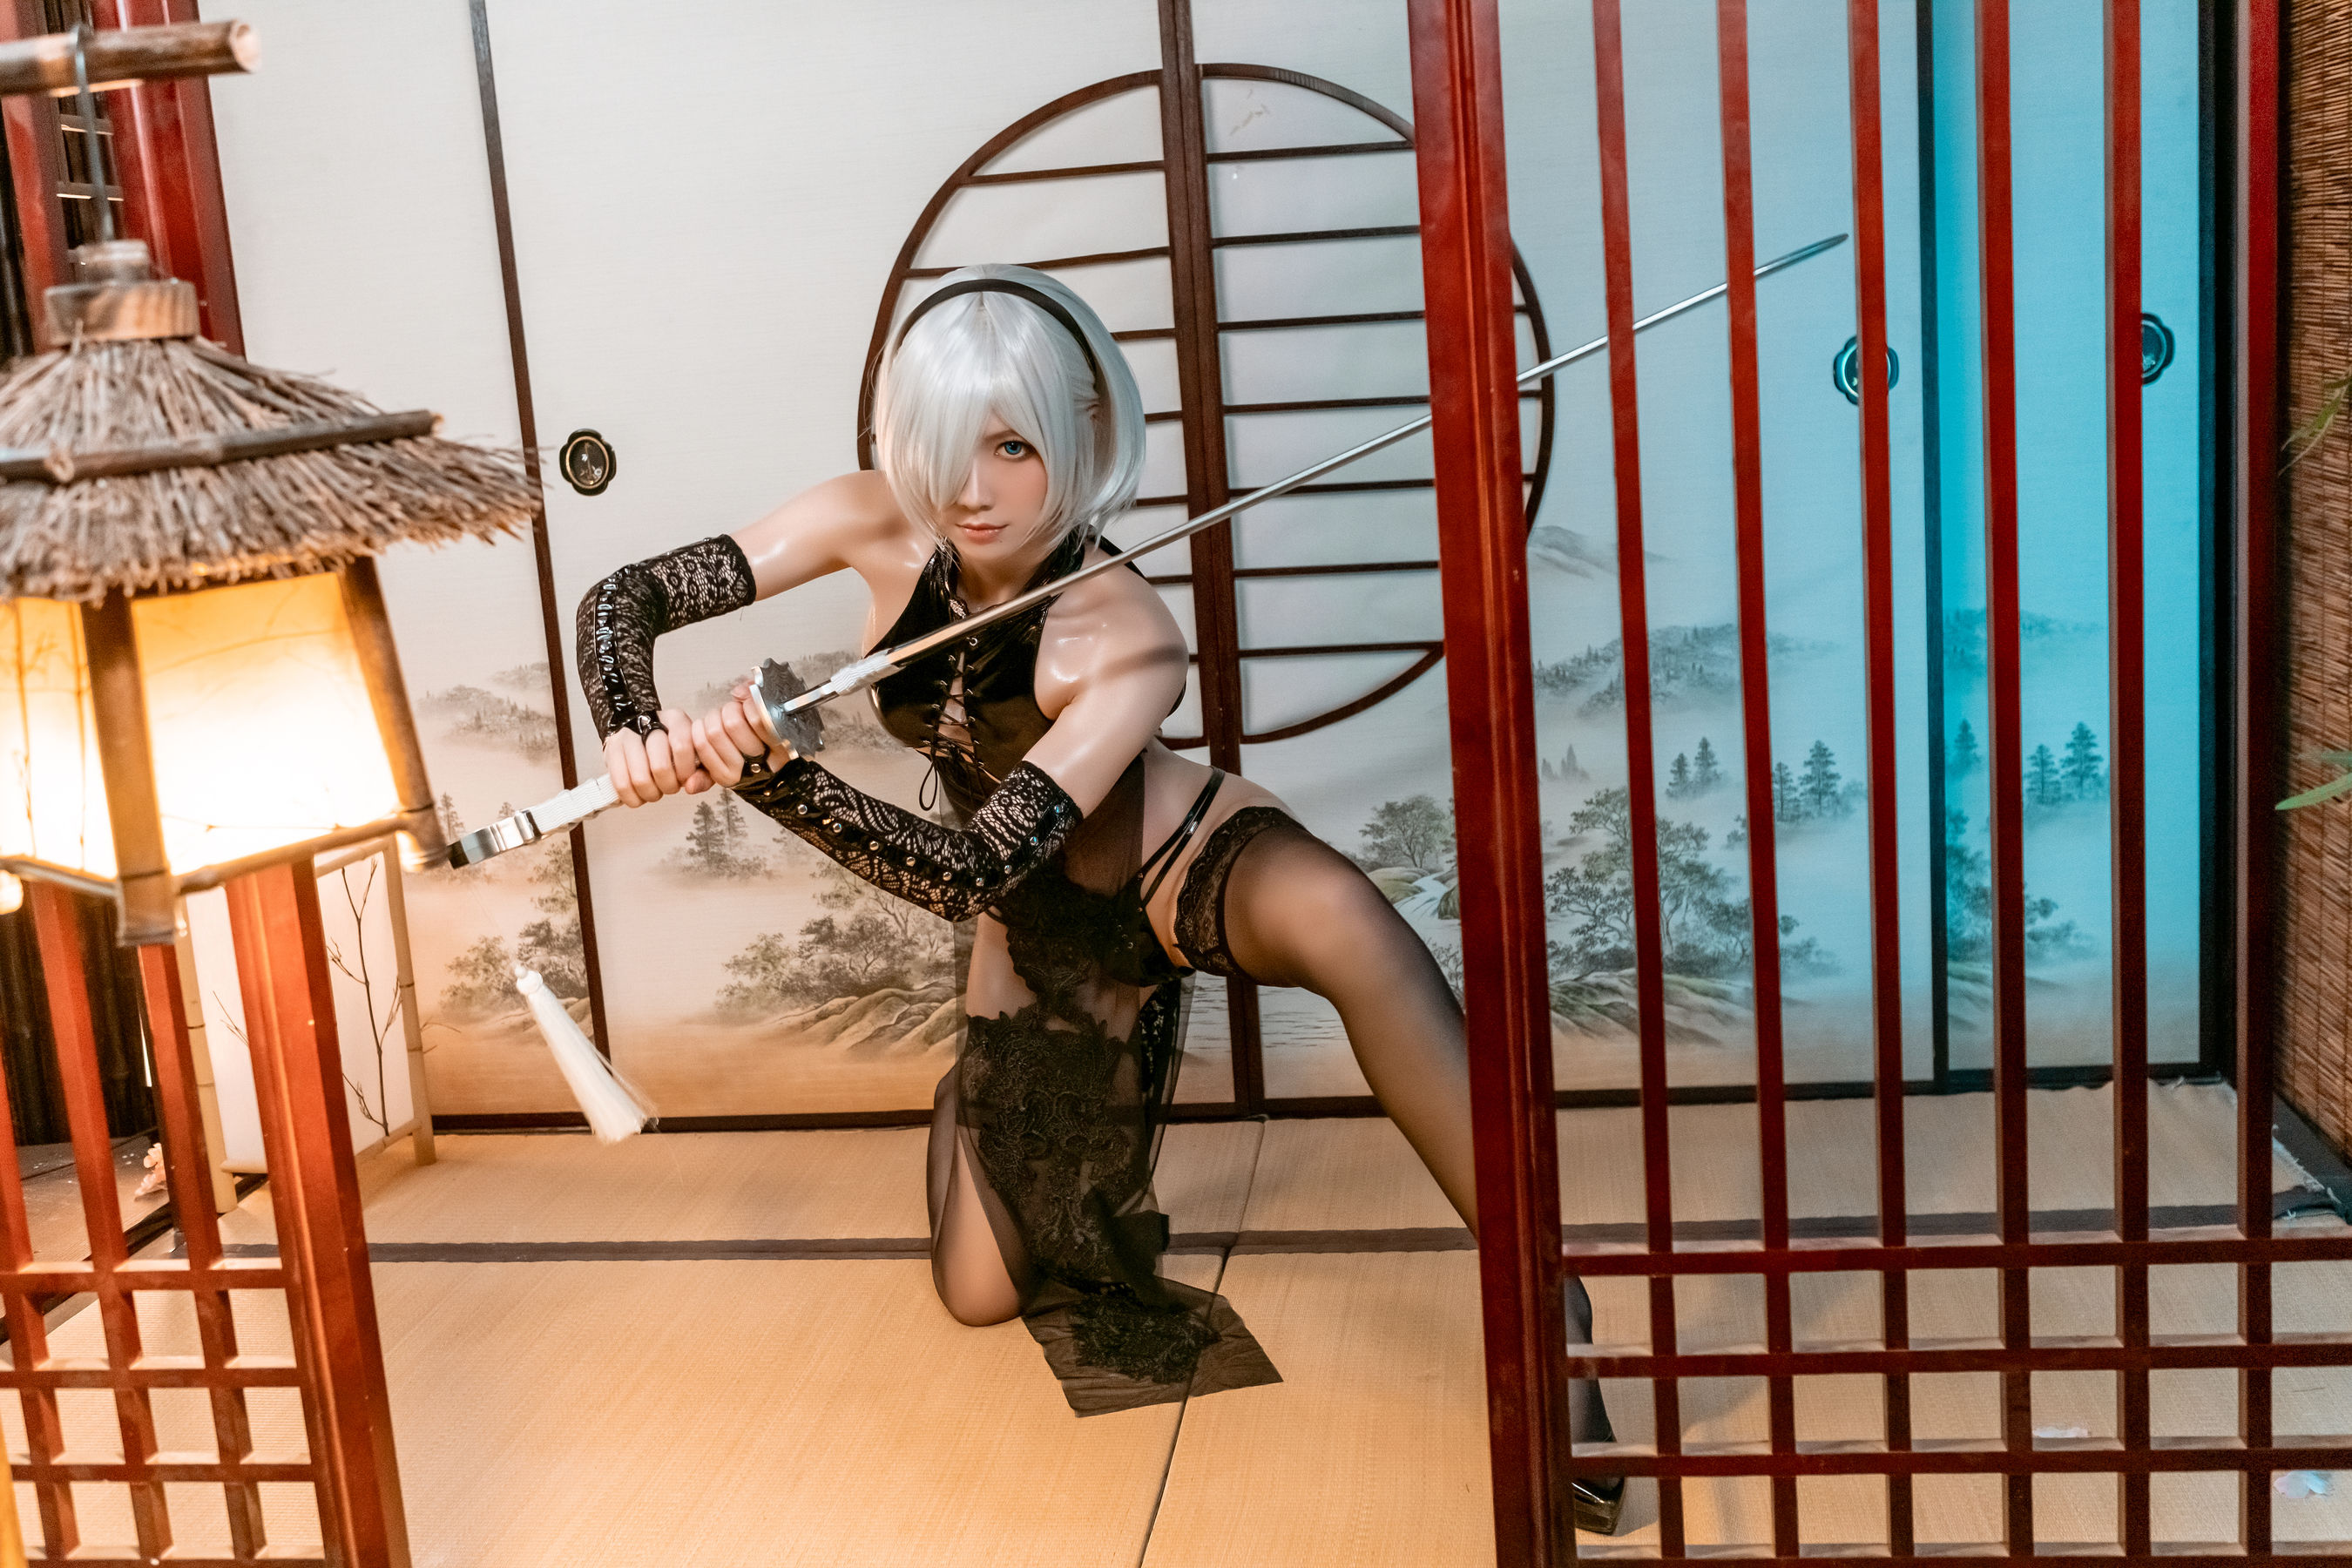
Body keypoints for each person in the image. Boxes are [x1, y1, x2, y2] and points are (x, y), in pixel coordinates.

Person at [576, 265, 1621, 1531]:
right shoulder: (868, 520)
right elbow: (623, 599)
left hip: (1182, 868)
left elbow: (964, 868)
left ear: (1083, 430)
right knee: (978, 1294)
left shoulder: (1125, 631)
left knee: (1353, 927)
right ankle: (979, 1095)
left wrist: (772, 779)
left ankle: (1546, 1295)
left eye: (1013, 448)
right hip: (1044, 932)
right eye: (946, 448)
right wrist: (636, 728)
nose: (972, 490)